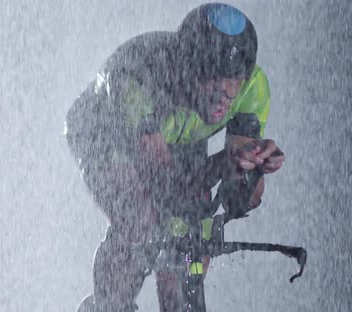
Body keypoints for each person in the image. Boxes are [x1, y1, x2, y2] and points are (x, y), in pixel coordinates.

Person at [65, 3, 285, 311]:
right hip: (107, 133)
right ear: (186, 66)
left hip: (177, 137)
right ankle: (107, 304)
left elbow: (238, 200)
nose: (222, 99)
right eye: (211, 82)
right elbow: (166, 188)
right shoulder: (136, 78)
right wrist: (225, 162)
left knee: (188, 250)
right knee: (142, 222)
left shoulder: (253, 87)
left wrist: (253, 170)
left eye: (232, 86)